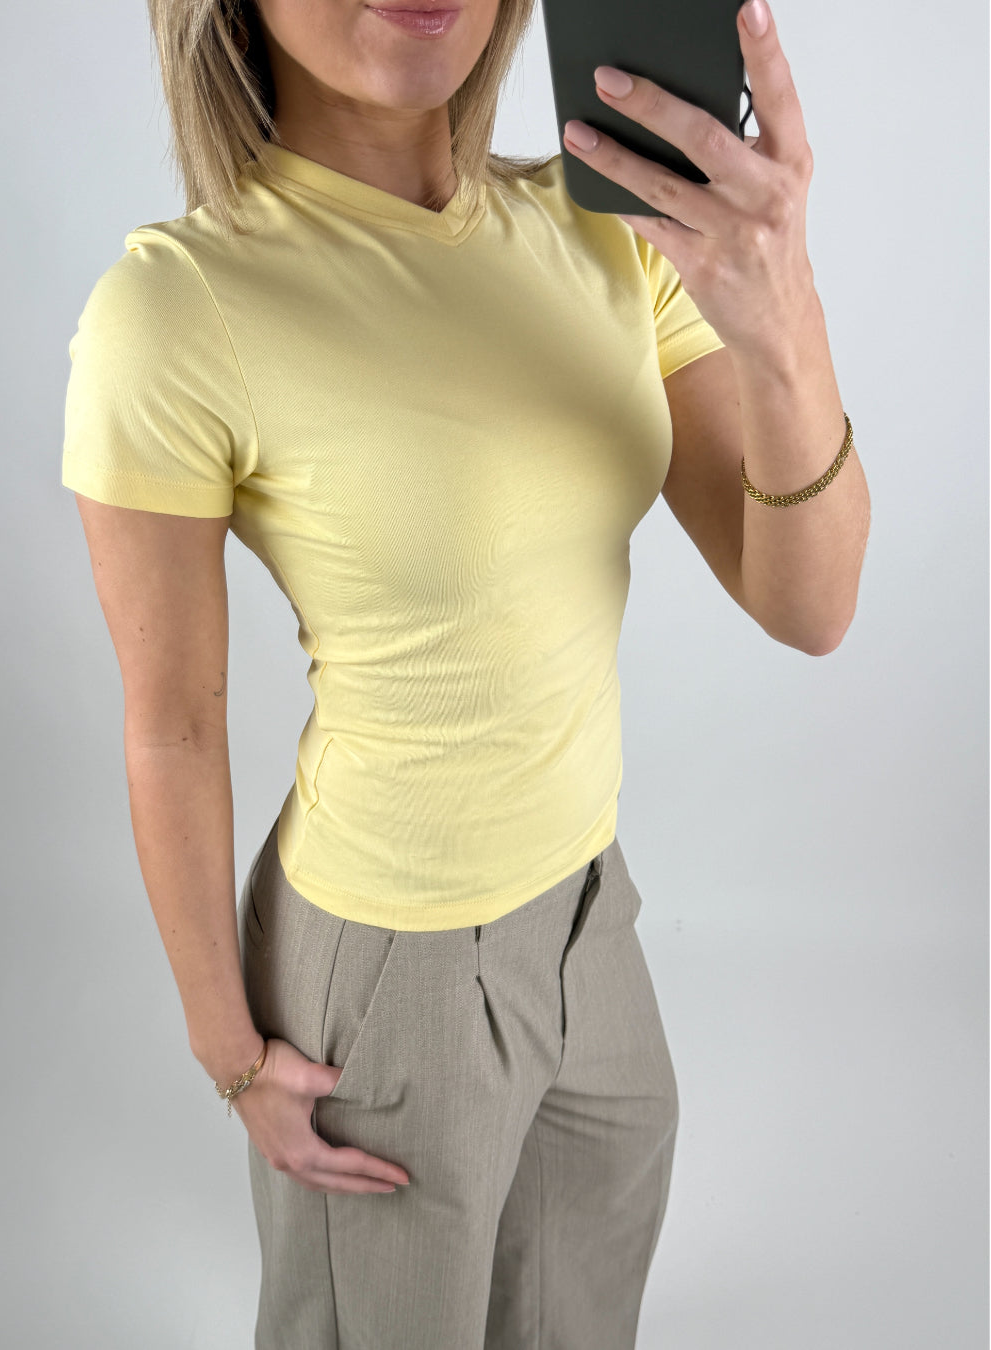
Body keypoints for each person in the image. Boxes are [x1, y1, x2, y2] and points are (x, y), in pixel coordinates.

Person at [61, 0, 870, 1344]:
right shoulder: (176, 307)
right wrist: (228, 1051)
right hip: (391, 972)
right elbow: (173, 726)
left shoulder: (604, 229)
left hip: (589, 913)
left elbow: (812, 603)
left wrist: (782, 310)